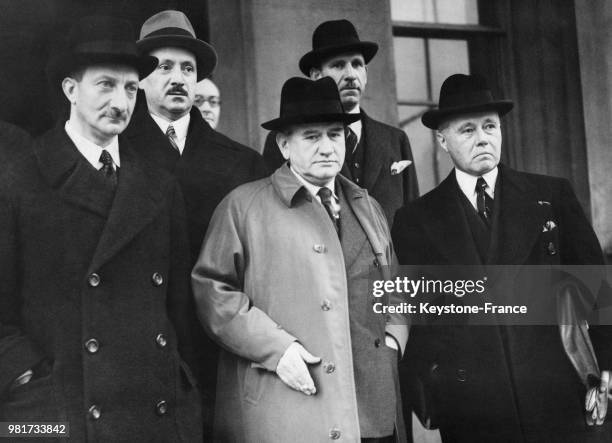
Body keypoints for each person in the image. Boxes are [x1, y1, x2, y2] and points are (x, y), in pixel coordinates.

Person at [0, 16, 201, 441]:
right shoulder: (19, 178)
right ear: (71, 90)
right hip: (57, 408)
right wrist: (25, 376)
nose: (120, 102)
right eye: (105, 85)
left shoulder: (160, 185)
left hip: (153, 405)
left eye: (130, 88)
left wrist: (178, 377)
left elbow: (179, 306)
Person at [392, 73, 612, 442]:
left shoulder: (551, 196)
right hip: (472, 408)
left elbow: (599, 289)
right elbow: (410, 315)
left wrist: (607, 365)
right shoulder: (416, 219)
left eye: (490, 126)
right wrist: (434, 385)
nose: (483, 138)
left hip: (556, 395)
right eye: (467, 130)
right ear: (442, 139)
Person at [192, 76, 409, 442]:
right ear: (284, 145)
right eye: (311, 136)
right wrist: (276, 349)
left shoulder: (368, 206)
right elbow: (213, 292)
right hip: (290, 408)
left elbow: (395, 285)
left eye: (335, 134)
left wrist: (394, 338)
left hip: (372, 408)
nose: (327, 147)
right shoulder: (243, 207)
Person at [124, 9, 267, 436]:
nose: (178, 78)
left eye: (187, 68)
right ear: (142, 79)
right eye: (163, 66)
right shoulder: (115, 153)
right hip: (142, 339)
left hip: (220, 345)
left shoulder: (242, 162)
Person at [262, 19, 419, 223]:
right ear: (317, 76)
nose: (351, 75)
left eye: (357, 64)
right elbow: (272, 211)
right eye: (338, 65)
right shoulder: (286, 140)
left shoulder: (395, 139)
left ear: (366, 73)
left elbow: (412, 218)